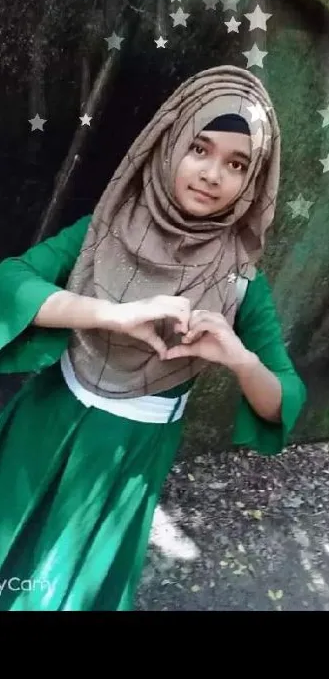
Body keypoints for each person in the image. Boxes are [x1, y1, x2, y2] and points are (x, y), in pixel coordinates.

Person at [0, 64, 307, 611]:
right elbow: (13, 279)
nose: (213, 174)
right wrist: (108, 315)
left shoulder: (241, 281)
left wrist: (239, 359)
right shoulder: (106, 229)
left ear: (254, 180)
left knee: (63, 583)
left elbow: (282, 395)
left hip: (126, 455)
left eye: (237, 164)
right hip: (45, 416)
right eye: (199, 148)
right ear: (168, 146)